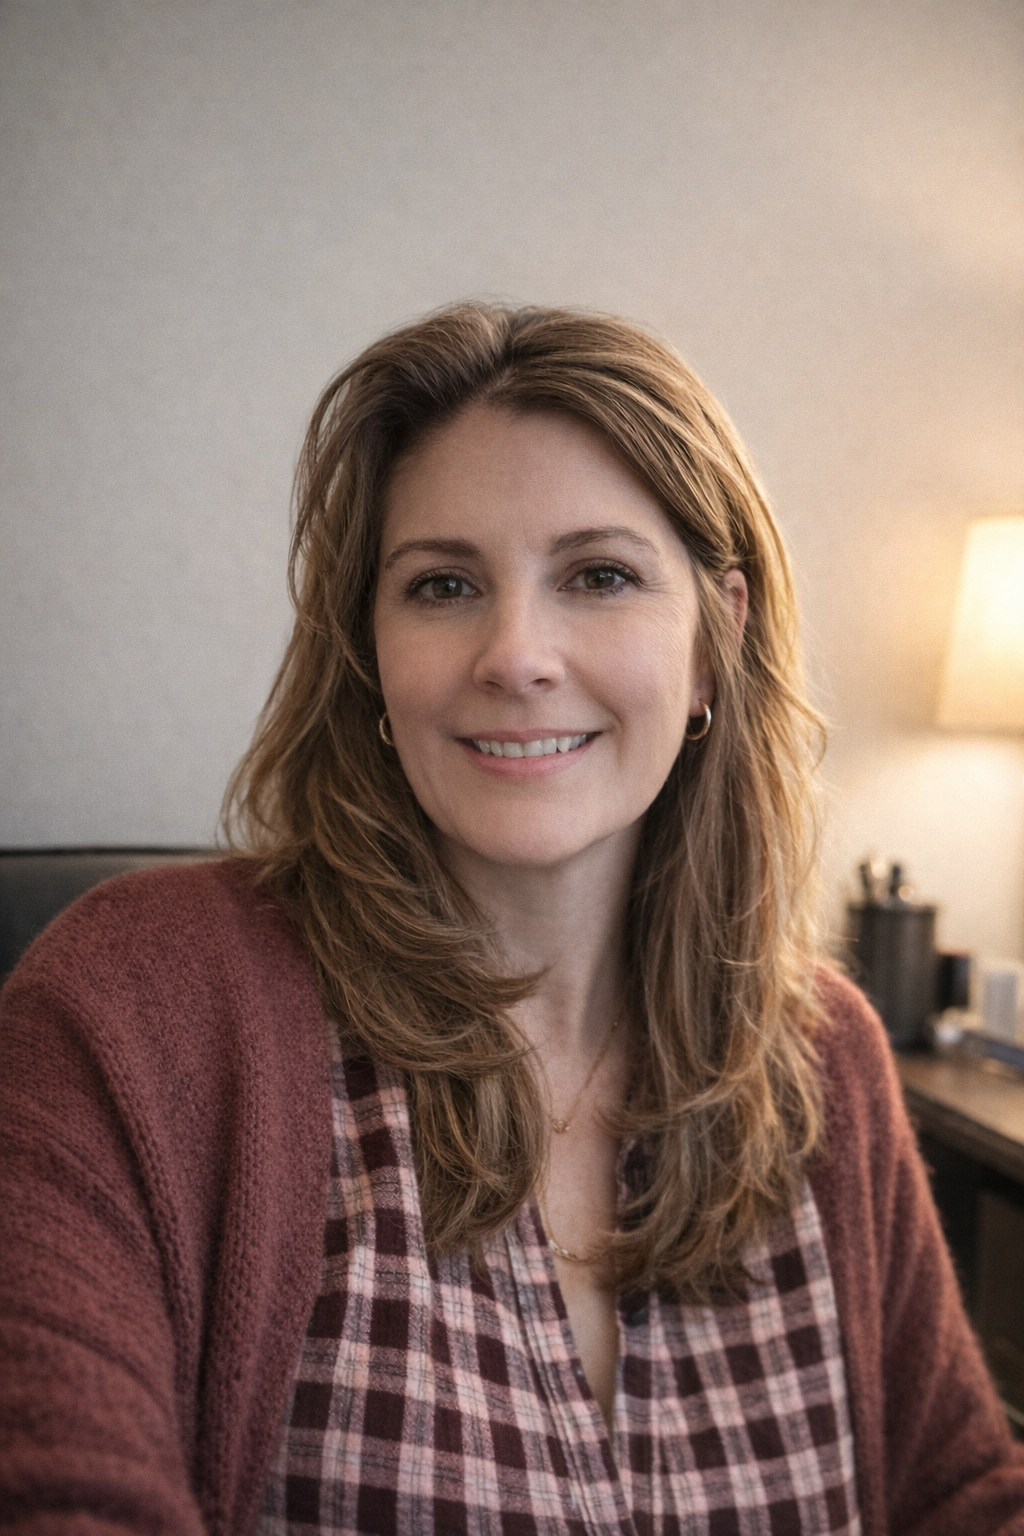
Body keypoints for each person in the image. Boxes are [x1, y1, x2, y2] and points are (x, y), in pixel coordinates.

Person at [1, 304, 1022, 1536]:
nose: (516, 653)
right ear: (369, 652)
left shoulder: (824, 1057)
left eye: (598, 575)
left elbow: (961, 1496)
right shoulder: (137, 1001)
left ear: (716, 639)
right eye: (441, 586)